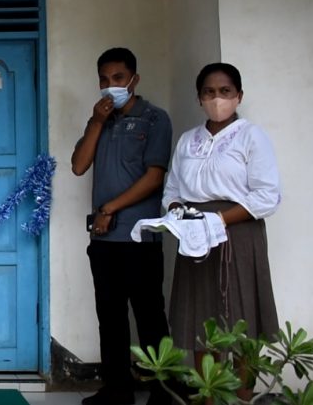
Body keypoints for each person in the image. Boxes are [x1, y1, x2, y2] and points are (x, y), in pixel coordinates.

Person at [162, 63, 279, 401]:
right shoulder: (188, 141)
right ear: (199, 98)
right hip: (195, 237)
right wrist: (178, 216)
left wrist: (221, 220)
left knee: (242, 318)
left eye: (225, 91)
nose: (217, 98)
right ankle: (207, 396)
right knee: (201, 319)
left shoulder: (250, 136)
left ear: (238, 95)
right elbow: (172, 190)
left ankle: (242, 396)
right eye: (209, 92)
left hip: (238, 233)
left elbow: (267, 194)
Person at [70, 48, 172, 405]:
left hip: (139, 235)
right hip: (104, 238)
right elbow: (79, 165)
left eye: (117, 78)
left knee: (149, 316)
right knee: (110, 317)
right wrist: (97, 122)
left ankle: (163, 390)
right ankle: (117, 389)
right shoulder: (101, 120)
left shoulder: (155, 119)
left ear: (134, 80)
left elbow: (155, 177)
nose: (110, 86)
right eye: (103, 79)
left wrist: (109, 207)